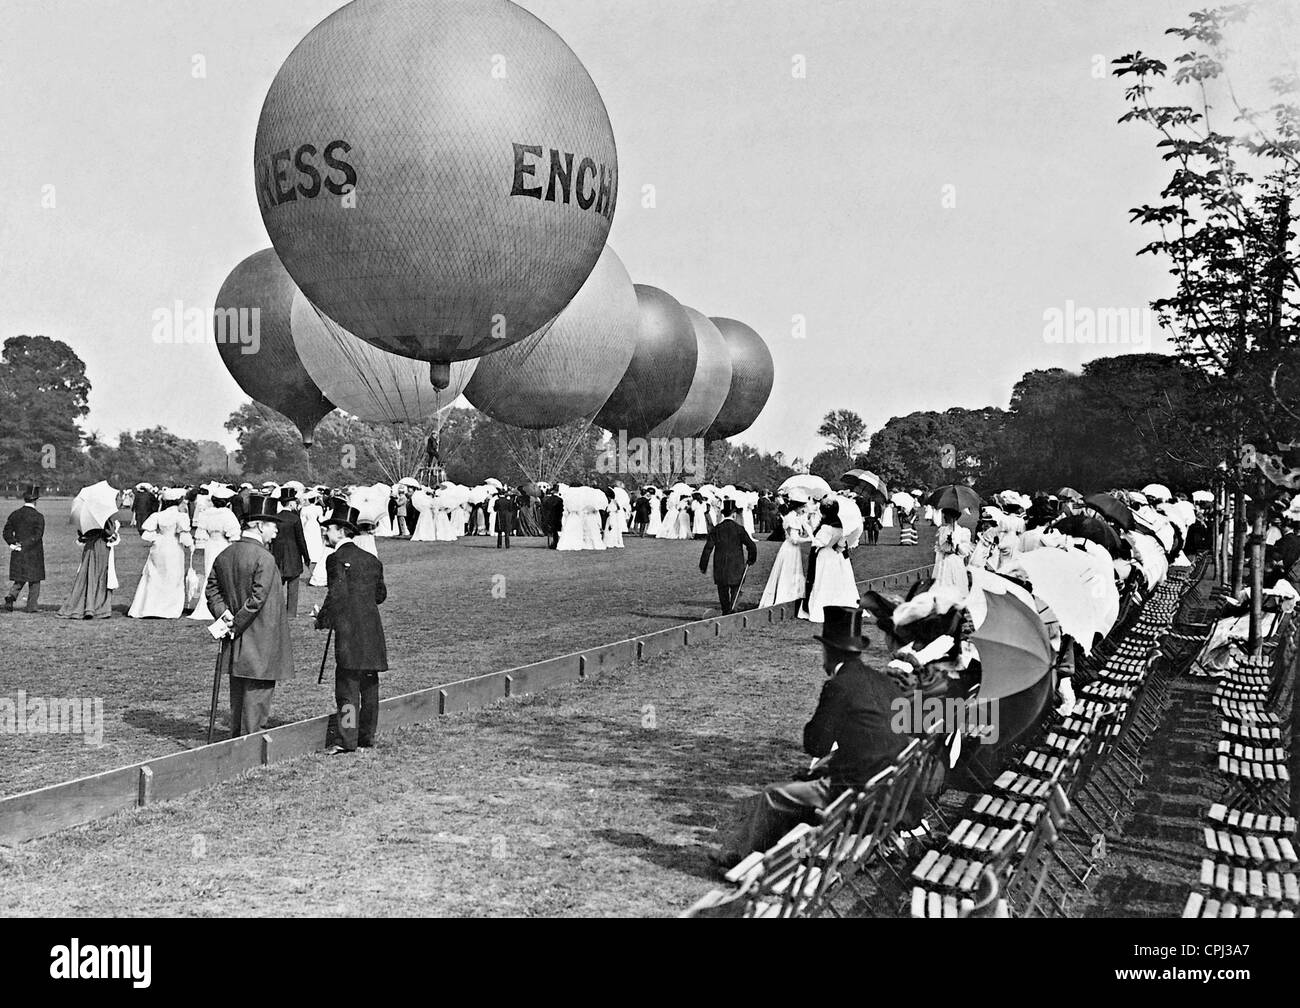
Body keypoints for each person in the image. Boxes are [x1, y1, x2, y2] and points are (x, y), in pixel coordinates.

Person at [714, 607, 909, 867]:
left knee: (774, 795)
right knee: (802, 785)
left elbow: (815, 743)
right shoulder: (882, 682)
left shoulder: (838, 686)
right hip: (889, 788)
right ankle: (766, 852)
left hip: (856, 792)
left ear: (829, 651)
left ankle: (742, 858)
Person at [205, 494, 295, 737]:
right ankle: (250, 745)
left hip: (236, 639)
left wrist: (223, 614)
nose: (275, 532)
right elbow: (258, 599)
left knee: (239, 694)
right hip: (260, 637)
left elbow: (211, 589)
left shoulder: (226, 553)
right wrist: (235, 622)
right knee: (257, 695)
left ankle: (239, 740)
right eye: (273, 526)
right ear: (259, 525)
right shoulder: (264, 558)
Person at [311, 500, 388, 754]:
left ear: (341, 531)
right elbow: (380, 596)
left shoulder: (335, 560)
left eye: (329, 529)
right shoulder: (371, 559)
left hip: (349, 633)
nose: (325, 533)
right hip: (372, 631)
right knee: (370, 688)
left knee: (347, 691)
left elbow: (337, 595)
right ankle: (366, 737)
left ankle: (346, 740)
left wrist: (321, 619)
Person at [128, 488, 193, 618]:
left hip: (159, 547)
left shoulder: (158, 515)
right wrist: (190, 545)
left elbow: (146, 533)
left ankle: (150, 607)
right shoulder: (180, 516)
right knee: (173, 575)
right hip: (173, 547)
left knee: (155, 575)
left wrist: (158, 537)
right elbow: (184, 535)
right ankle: (169, 608)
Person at [801, 498, 860, 622]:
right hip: (838, 555)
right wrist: (842, 543)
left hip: (826, 555)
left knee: (824, 581)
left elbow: (819, 542)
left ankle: (823, 607)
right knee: (838, 581)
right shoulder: (843, 526)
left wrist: (811, 534)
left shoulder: (826, 527)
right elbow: (850, 540)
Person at [189, 486, 242, 621]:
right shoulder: (227, 514)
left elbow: (201, 533)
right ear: (227, 502)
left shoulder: (206, 514)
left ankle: (208, 604)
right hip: (224, 545)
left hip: (211, 545)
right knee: (224, 574)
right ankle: (224, 605)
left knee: (209, 574)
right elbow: (234, 535)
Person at [700, 499, 757, 614]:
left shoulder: (716, 529)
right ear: (734, 514)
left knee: (722, 589)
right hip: (736, 564)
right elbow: (751, 545)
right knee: (736, 587)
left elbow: (708, 548)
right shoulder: (739, 529)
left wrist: (703, 564)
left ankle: (726, 610)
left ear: (723, 514)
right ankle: (732, 609)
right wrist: (751, 558)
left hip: (720, 564)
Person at [58, 518, 118, 619]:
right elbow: (110, 534)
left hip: (89, 547)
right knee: (100, 575)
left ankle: (87, 606)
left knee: (87, 574)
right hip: (101, 547)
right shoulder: (104, 516)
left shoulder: (86, 517)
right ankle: (97, 607)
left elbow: (82, 534)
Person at [759, 499, 812, 607]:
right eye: (803, 507)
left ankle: (792, 596)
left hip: (791, 548)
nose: (804, 510)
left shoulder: (793, 517)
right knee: (787, 572)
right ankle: (785, 596)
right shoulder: (792, 518)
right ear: (797, 507)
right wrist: (810, 539)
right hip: (790, 549)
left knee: (792, 572)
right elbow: (794, 539)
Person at [270, 489, 313, 615]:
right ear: (290, 503)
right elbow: (301, 540)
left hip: (277, 555)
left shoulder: (275, 518)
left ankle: (277, 610)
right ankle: (291, 612)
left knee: (277, 587)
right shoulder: (294, 519)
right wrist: (307, 557)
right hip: (293, 556)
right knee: (293, 587)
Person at [3, 484, 45, 613]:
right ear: (36, 500)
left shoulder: (15, 514)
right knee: (35, 580)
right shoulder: (38, 517)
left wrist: (13, 544)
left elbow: (6, 532)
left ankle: (11, 596)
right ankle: (31, 606)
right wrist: (26, 544)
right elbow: (37, 536)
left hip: (18, 550)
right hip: (33, 552)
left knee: (20, 577)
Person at [933, 507, 972, 592]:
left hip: (956, 561)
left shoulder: (963, 531)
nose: (944, 517)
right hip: (943, 561)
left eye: (946, 515)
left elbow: (965, 551)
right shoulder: (943, 530)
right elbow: (941, 548)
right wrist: (947, 541)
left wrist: (955, 543)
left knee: (956, 583)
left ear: (953, 516)